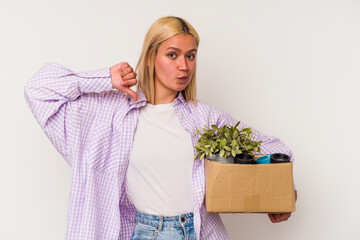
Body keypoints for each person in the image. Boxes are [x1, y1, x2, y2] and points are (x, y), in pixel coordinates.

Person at [24, 16, 297, 240]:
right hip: (146, 232)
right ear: (151, 56)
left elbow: (272, 149)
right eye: (172, 54)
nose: (184, 66)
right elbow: (38, 90)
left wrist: (282, 193)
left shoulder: (204, 117)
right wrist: (104, 79)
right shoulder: (110, 114)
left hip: (200, 231)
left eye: (190, 56)